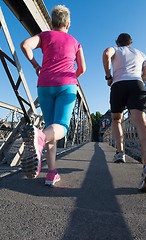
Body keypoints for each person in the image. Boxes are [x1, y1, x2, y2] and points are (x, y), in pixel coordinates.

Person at [20, 5, 86, 186]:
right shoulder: (75, 42)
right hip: (66, 85)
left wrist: (35, 65)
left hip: (44, 84)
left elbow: (25, 45)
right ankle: (39, 138)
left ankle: (51, 173)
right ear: (68, 23)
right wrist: (73, 75)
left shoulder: (45, 36)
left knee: (50, 129)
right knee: (61, 128)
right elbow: (82, 68)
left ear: (52, 21)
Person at [102, 33, 146, 192]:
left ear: (118, 43)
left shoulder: (116, 50)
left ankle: (120, 152)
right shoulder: (140, 53)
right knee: (142, 122)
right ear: (130, 43)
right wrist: (136, 77)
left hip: (119, 85)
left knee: (116, 120)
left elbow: (106, 54)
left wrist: (108, 76)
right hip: (137, 85)